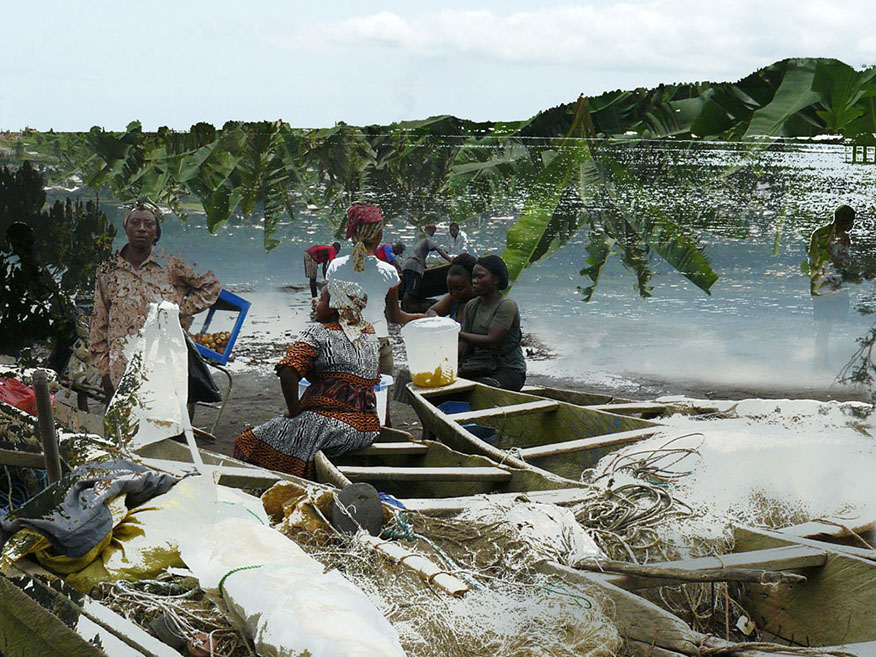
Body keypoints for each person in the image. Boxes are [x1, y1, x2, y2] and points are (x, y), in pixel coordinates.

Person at [233, 279, 380, 479]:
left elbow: (288, 371)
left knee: (247, 442)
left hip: (334, 429)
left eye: (321, 300)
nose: (316, 304)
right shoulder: (369, 332)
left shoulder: (319, 332)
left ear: (334, 307)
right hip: (369, 428)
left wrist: (294, 410)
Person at [89, 198, 220, 399]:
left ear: (156, 232)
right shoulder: (108, 270)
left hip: (165, 362)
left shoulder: (172, 263)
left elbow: (211, 286)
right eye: (135, 223)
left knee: (167, 415)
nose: (142, 229)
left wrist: (178, 310)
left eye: (149, 224)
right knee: (124, 418)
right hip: (122, 366)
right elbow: (99, 322)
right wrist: (105, 371)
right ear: (126, 229)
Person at [326, 202, 420, 378]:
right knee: (381, 393)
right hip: (378, 344)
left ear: (353, 235)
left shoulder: (335, 267)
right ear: (379, 236)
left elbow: (331, 311)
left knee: (346, 394)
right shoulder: (388, 271)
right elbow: (394, 316)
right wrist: (421, 317)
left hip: (345, 345)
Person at [458, 255, 527, 391]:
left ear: (495, 279)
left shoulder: (506, 305)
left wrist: (458, 334)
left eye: (480, 277)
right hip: (481, 366)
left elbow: (492, 340)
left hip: (508, 369)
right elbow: (465, 344)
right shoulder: (471, 306)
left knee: (480, 389)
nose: (474, 281)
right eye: (473, 277)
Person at [807, 204, 856, 369]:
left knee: (826, 326)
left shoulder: (820, 234)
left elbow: (813, 260)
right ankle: (819, 364)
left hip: (822, 284)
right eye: (851, 221)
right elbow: (842, 262)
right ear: (846, 221)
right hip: (830, 285)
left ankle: (822, 362)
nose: (852, 224)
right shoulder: (841, 238)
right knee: (826, 325)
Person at [401, 224, 451, 312]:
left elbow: (421, 255)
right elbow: (439, 250)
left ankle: (405, 306)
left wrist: (425, 267)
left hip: (406, 265)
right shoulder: (427, 239)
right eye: (433, 231)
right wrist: (451, 261)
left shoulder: (418, 239)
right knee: (410, 290)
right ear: (430, 230)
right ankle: (406, 307)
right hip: (414, 266)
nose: (433, 233)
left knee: (407, 288)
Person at [425, 253, 477, 322]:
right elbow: (431, 311)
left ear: (473, 283)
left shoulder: (481, 304)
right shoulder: (453, 298)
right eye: (450, 289)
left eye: (459, 289)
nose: (454, 293)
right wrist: (440, 322)